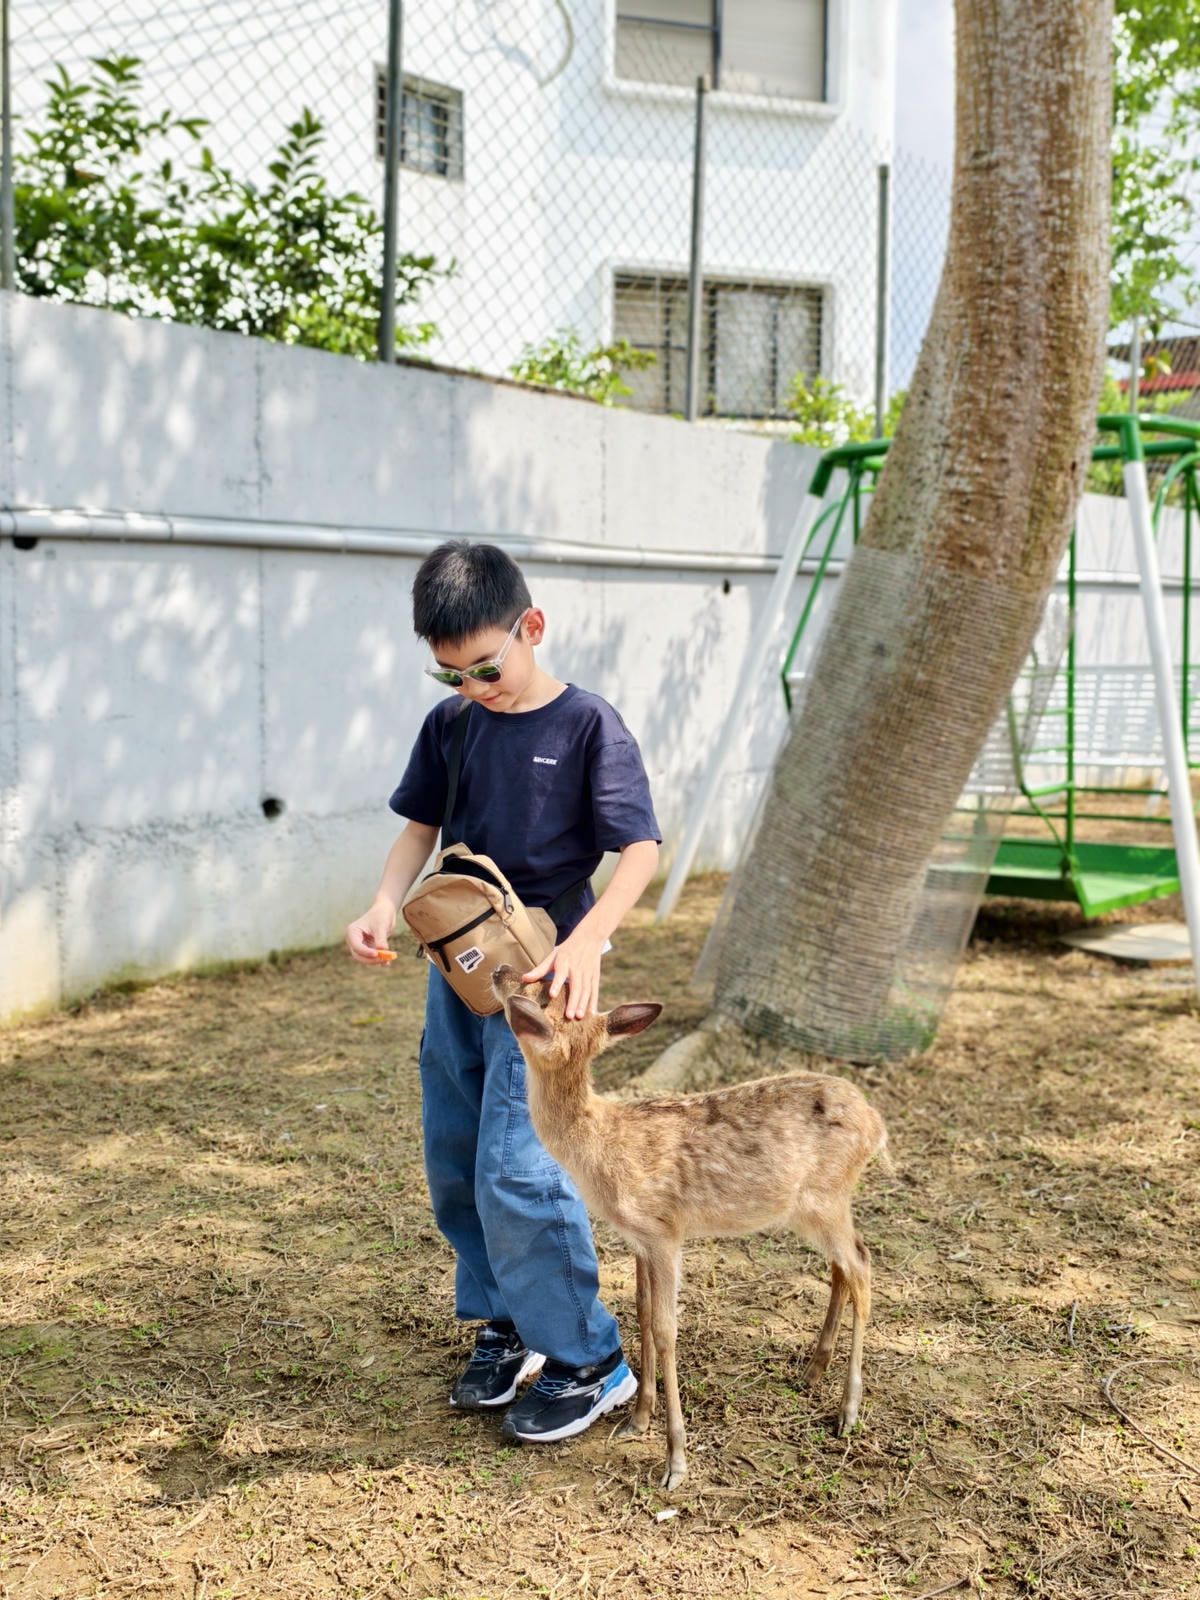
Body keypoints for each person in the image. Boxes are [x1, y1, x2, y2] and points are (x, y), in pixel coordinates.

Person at [346, 540, 661, 1446]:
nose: (473, 687)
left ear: (532, 627)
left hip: (544, 976)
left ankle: (590, 1359)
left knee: (520, 1170)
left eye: (487, 666)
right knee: (453, 1155)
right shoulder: (453, 725)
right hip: (457, 968)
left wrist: (591, 940)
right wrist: (380, 902)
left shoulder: (587, 725)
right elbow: (419, 828)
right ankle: (508, 1323)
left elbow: (638, 847)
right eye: (450, 674)